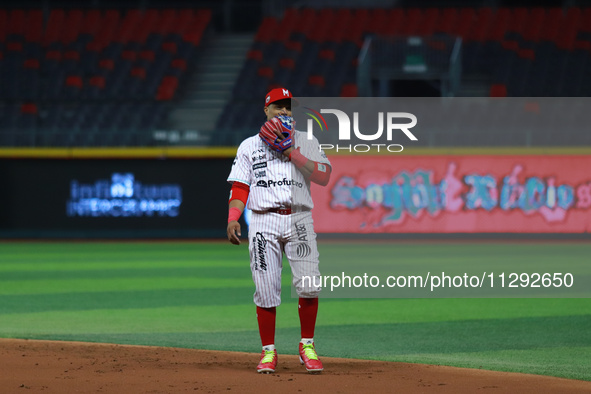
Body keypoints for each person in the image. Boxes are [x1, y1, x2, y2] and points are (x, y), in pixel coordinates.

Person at [226, 87, 332, 374]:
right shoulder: (249, 146)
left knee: (309, 284)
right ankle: (268, 351)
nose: (284, 111)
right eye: (278, 106)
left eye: (288, 107)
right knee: (265, 287)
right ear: (266, 110)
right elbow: (240, 186)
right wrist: (234, 216)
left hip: (299, 218)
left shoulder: (306, 141)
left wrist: (291, 152)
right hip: (263, 221)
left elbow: (323, 176)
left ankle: (306, 346)